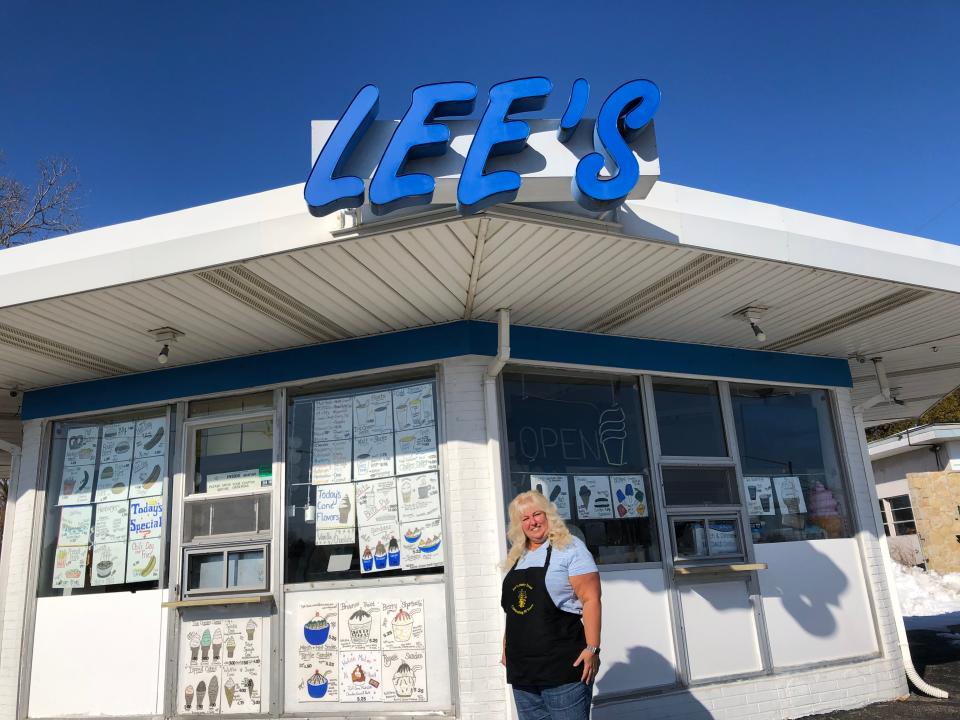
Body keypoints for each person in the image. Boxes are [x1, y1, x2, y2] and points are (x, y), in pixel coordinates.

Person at [500, 490, 602, 719]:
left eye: (537, 514)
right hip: (523, 673)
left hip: (562, 668)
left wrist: (592, 648)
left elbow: (591, 599)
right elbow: (514, 611)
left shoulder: (570, 547)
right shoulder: (519, 555)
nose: (532, 522)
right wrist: (506, 646)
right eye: (524, 519)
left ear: (549, 515)